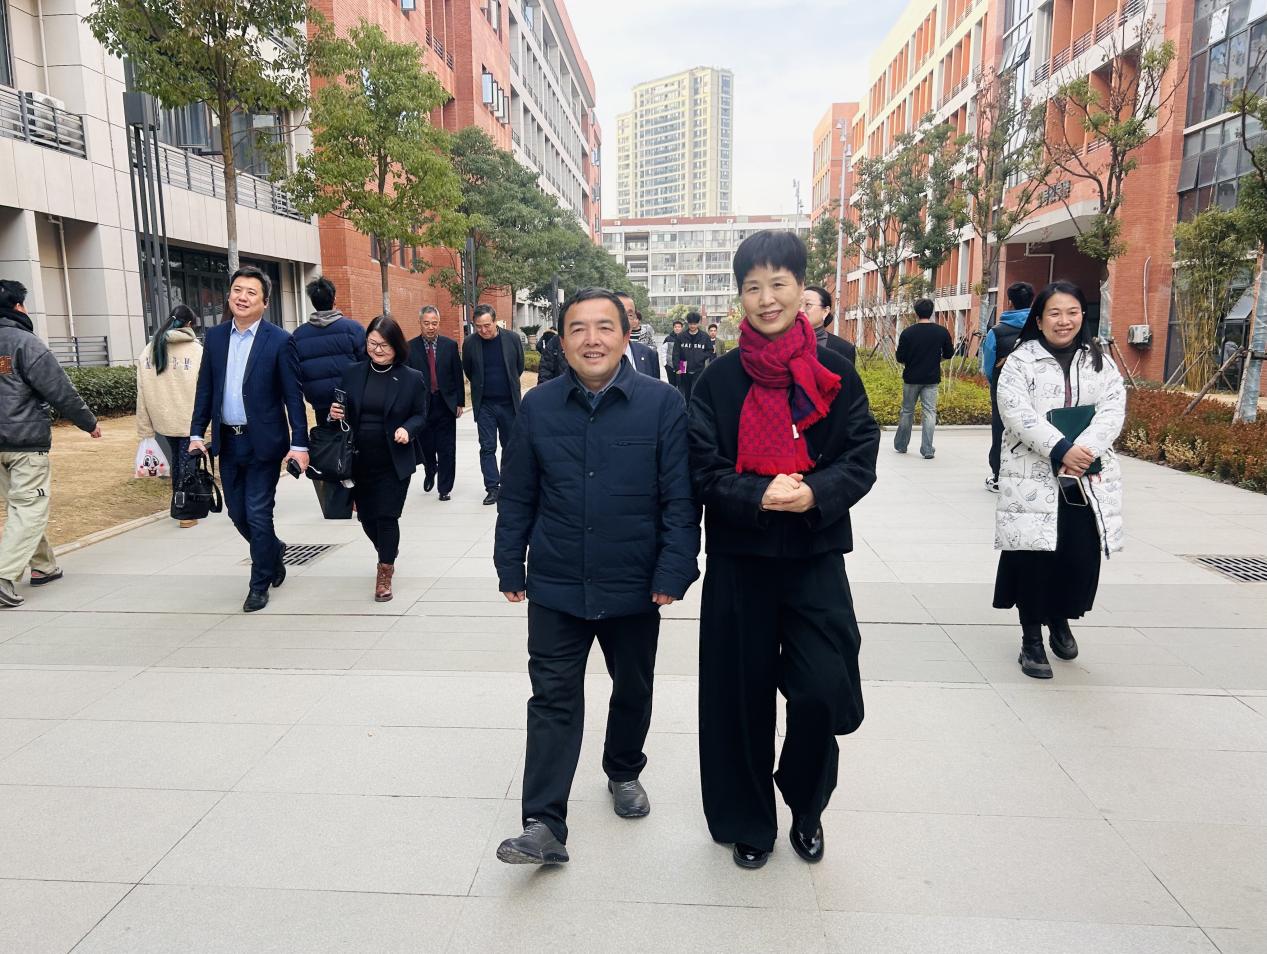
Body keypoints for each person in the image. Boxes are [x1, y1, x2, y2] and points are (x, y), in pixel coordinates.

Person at [689, 231, 879, 870]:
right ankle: (748, 819)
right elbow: (700, 466)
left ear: (802, 289)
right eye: (753, 287)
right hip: (741, 560)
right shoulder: (717, 380)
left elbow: (861, 455)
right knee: (738, 699)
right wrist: (757, 494)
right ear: (739, 295)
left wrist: (815, 493)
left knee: (822, 689)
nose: (766, 298)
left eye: (779, 284)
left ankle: (805, 801)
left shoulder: (836, 373)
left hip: (814, 557)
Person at [494, 287, 700, 866]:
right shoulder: (538, 406)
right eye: (578, 329)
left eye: (604, 327)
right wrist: (510, 561)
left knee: (633, 686)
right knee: (552, 698)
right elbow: (518, 494)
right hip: (557, 580)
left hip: (634, 581)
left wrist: (674, 568)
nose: (592, 339)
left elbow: (681, 498)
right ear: (562, 342)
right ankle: (543, 823)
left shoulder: (661, 404)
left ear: (625, 336)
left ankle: (624, 769)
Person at [993, 280, 1126, 679]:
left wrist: (1083, 450)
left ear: (1083, 315)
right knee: (1034, 558)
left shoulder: (1100, 361)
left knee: (1077, 556)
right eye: (1054, 313)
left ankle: (1060, 617)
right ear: (1039, 319)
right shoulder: (1020, 361)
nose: (1063, 320)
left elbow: (1113, 409)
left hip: (1086, 477)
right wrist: (1060, 448)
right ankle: (1031, 639)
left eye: (1071, 312)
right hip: (1033, 477)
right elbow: (1015, 413)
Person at [189, 266, 309, 613]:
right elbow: (205, 389)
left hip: (264, 442)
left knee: (257, 513)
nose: (242, 297)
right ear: (229, 295)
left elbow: (292, 396)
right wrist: (196, 433)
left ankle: (259, 584)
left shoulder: (279, 340)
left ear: (264, 302)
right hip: (228, 442)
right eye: (237, 290)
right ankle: (273, 550)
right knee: (237, 513)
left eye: (251, 292)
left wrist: (299, 444)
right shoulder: (215, 338)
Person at [0, 280, 101, 608]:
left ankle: (43, 566)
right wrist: (89, 423)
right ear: (18, 306)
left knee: (21, 506)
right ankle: (3, 576)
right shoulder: (25, 343)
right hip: (25, 442)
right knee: (29, 508)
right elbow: (59, 389)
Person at [329, 316, 427, 602]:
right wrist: (334, 414)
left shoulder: (411, 378)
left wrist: (407, 429)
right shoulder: (353, 373)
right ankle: (387, 549)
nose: (378, 350)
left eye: (384, 345)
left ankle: (385, 571)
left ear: (396, 346)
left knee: (387, 516)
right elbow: (341, 412)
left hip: (393, 460)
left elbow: (421, 415)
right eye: (372, 343)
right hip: (359, 459)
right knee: (367, 517)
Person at [136, 304, 203, 528]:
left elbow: (141, 391)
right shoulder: (196, 351)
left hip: (162, 418)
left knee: (177, 460)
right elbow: (205, 388)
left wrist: (145, 428)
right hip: (189, 418)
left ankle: (179, 503)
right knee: (187, 463)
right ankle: (186, 513)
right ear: (190, 324)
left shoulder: (150, 349)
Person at [462, 304, 524, 505]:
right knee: (487, 447)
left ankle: (509, 484)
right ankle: (492, 487)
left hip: (508, 404)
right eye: (478, 326)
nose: (483, 330)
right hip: (485, 405)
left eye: (487, 325)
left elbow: (519, 367)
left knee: (510, 446)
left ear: (495, 322)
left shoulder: (512, 339)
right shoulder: (470, 343)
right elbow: (469, 370)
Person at [980, 282, 1034, 493]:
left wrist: (995, 382)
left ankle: (998, 476)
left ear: (1010, 302)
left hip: (1003, 389)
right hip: (1034, 389)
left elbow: (988, 366)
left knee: (1000, 430)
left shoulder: (997, 331)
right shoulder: (1040, 329)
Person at [406, 305, 464, 501]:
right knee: (426, 447)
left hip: (445, 403)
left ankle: (444, 488)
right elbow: (406, 380)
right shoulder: (410, 348)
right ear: (420, 323)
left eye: (434, 323)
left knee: (447, 448)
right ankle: (430, 469)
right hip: (422, 406)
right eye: (427, 323)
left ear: (439, 324)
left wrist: (460, 402)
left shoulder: (450, 345)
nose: (431, 327)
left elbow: (457, 375)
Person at [893, 298, 953, 459]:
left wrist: (911, 361)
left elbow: (900, 357)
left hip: (911, 378)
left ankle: (901, 445)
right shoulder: (941, 332)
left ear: (916, 312)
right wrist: (936, 360)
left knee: (907, 411)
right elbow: (949, 353)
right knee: (929, 412)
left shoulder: (908, 332)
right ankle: (927, 449)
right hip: (931, 378)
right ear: (931, 312)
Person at [802, 286, 857, 364]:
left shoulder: (844, 349)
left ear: (825, 311)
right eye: (798, 305)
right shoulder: (784, 341)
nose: (801, 310)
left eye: (808, 305)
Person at [617, 292, 661, 379]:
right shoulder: (593, 354)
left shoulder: (649, 354)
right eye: (619, 313)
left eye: (630, 315)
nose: (624, 319)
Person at [674, 311, 714, 402]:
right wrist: (677, 367)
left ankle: (694, 409)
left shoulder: (704, 336)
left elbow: (710, 350)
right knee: (685, 392)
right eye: (690, 324)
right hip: (683, 366)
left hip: (699, 368)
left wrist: (700, 357)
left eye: (695, 324)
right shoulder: (681, 336)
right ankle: (686, 409)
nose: (692, 326)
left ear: (698, 323)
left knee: (695, 392)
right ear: (688, 323)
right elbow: (676, 352)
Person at [662, 319, 685, 386]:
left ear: (681, 328)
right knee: (672, 384)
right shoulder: (668, 338)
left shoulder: (685, 338)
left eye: (679, 327)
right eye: (675, 327)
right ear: (673, 328)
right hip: (670, 364)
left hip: (682, 364)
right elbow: (663, 351)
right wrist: (665, 363)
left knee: (682, 384)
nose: (677, 328)